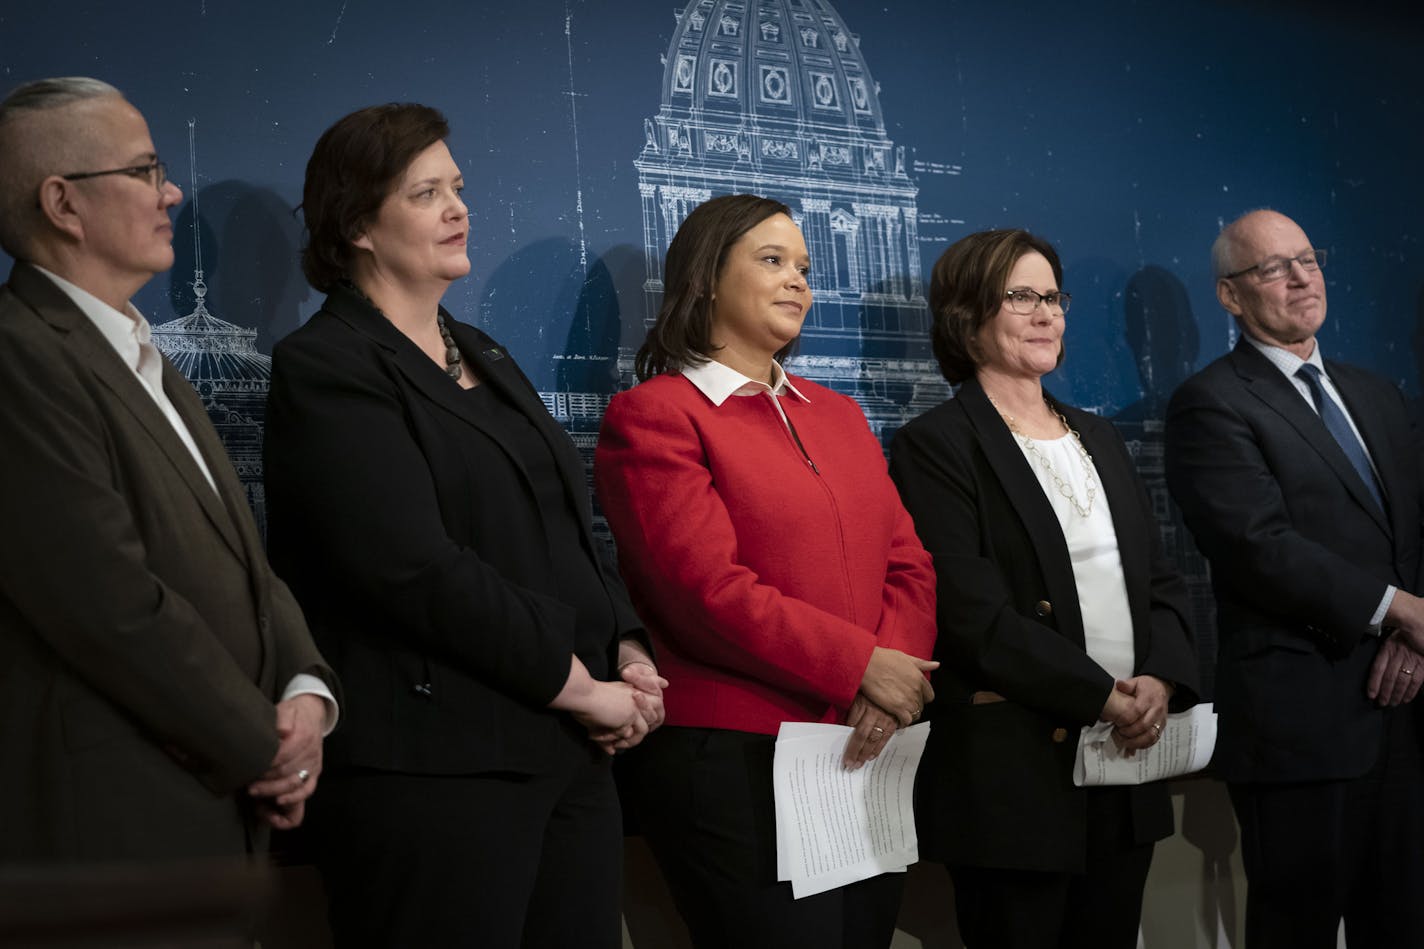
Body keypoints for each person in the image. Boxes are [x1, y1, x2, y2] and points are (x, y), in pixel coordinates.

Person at [262, 102, 662, 949]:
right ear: (358, 225)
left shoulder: (485, 349)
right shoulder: (326, 364)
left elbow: (563, 524)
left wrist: (625, 646)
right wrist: (586, 687)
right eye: (425, 193)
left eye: (459, 187)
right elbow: (409, 567)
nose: (458, 208)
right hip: (435, 768)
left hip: (567, 756)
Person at [0, 77, 338, 863]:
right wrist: (265, 743)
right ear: (63, 203)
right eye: (146, 170)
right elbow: (106, 601)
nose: (173, 192)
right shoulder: (20, 356)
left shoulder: (153, 362)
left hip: (214, 813)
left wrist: (307, 692)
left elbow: (249, 569)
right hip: (120, 828)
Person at [595, 193, 938, 948]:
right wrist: (859, 666)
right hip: (738, 765)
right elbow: (703, 593)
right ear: (707, 279)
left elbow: (908, 563)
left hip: (865, 744)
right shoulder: (656, 413)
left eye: (805, 268)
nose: (799, 282)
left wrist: (892, 683)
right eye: (773, 261)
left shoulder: (839, 415)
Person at [888, 228, 1199, 949]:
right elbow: (973, 615)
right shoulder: (935, 443)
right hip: (1017, 780)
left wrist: (1161, 678)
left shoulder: (1100, 435)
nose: (1045, 313)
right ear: (967, 318)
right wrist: (1101, 693)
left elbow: (1160, 580)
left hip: (1126, 763)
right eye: (1020, 296)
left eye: (1053, 297)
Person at [1164, 209, 1424, 949]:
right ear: (1229, 296)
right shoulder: (1211, 403)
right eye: (1273, 267)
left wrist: (1416, 631)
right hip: (1302, 728)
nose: (1300, 276)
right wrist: (1396, 609)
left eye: (1308, 258)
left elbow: (1416, 530)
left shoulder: (1376, 393)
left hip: (1406, 720)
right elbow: (1259, 545)